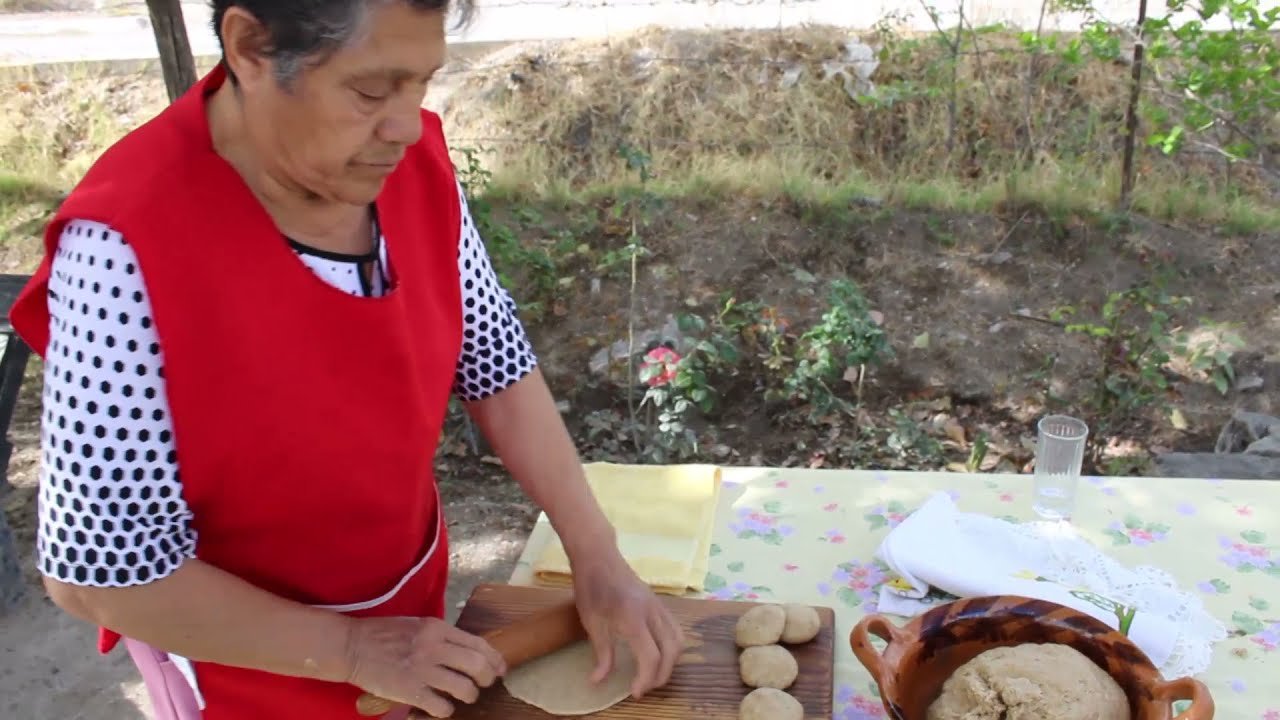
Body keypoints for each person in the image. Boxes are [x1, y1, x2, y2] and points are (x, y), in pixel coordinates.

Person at [6, 1, 685, 718]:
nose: (403, 126)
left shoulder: (412, 162)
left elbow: (497, 366)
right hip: (246, 661)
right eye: (369, 91)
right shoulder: (123, 248)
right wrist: (351, 650)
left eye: (420, 84)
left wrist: (596, 552)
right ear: (251, 46)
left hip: (405, 617)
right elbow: (101, 574)